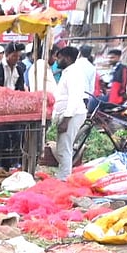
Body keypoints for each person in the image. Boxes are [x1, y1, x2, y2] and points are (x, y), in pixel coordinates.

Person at [0, 42, 28, 170]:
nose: (16, 59)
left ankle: (14, 161)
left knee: (16, 134)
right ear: (7, 55)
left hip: (14, 108)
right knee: (0, 134)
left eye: (18, 56)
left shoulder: (19, 70)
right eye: (14, 56)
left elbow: (20, 88)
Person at [53, 45, 88, 179]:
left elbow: (74, 97)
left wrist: (67, 119)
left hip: (72, 115)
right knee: (63, 147)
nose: (57, 61)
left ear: (67, 58)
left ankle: (64, 178)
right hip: (69, 114)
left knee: (64, 148)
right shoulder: (69, 71)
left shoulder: (74, 73)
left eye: (60, 58)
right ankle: (63, 176)